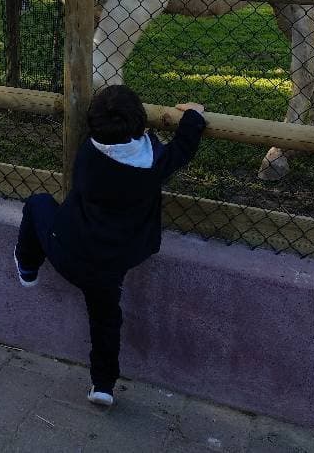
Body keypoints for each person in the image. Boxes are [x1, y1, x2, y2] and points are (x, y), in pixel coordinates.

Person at [14, 84, 206, 407]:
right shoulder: (153, 166)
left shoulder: (87, 153)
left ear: (94, 125)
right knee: (105, 322)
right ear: (142, 126)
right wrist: (194, 117)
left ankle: (28, 265)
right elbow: (183, 147)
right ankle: (102, 384)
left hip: (67, 248)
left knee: (38, 204)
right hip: (109, 268)